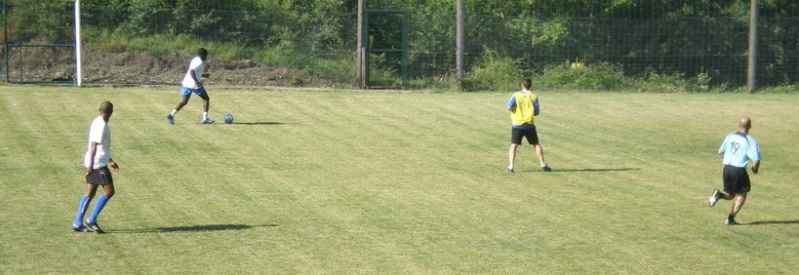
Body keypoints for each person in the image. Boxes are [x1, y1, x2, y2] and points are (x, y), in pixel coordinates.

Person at [72, 101, 119, 234]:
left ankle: (77, 223)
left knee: (89, 193)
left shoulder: (97, 121)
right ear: (111, 112)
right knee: (109, 191)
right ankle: (91, 220)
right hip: (97, 165)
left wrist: (110, 160)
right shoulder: (101, 126)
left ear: (99, 110)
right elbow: (93, 146)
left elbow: (101, 147)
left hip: (95, 162)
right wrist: (91, 166)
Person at [708, 117, 761, 225]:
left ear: (739, 125)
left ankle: (718, 195)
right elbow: (756, 160)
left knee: (730, 194)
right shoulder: (750, 141)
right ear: (750, 126)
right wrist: (755, 169)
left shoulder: (730, 136)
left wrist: (728, 160)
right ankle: (730, 219)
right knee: (742, 194)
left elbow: (720, 152)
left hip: (727, 168)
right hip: (738, 170)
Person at [507, 78, 551, 173]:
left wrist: (514, 109)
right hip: (529, 124)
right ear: (530, 86)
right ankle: (543, 164)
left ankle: (511, 166)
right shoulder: (534, 96)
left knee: (514, 145)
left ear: (522, 85)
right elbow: (536, 112)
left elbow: (509, 107)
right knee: (536, 144)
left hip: (517, 124)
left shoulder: (516, 95)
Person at [167, 48, 214, 124]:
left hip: (186, 83)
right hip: (194, 84)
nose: (206, 57)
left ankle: (171, 114)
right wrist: (197, 82)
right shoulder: (199, 62)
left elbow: (194, 71)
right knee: (206, 98)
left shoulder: (195, 59)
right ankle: (205, 118)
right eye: (206, 55)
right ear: (202, 55)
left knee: (184, 101)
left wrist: (203, 75)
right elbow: (192, 71)